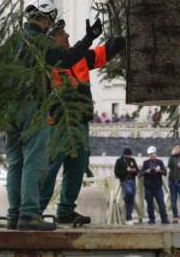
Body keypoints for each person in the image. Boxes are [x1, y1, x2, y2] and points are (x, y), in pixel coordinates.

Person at [5, 0, 99, 231]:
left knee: (15, 163)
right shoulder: (41, 43)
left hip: (9, 109)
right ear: (46, 19)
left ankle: (13, 215)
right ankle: (29, 215)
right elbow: (66, 59)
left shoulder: (12, 41)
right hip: (32, 106)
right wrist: (88, 39)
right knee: (33, 161)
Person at [39, 18, 125, 225]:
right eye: (62, 34)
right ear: (51, 40)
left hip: (80, 122)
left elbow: (102, 54)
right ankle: (35, 210)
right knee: (50, 168)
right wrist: (88, 38)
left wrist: (122, 36)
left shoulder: (79, 57)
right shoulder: (48, 61)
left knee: (77, 168)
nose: (67, 35)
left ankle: (66, 210)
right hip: (58, 124)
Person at [141, 146, 170, 224]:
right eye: (151, 154)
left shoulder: (160, 162)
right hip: (148, 187)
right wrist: (146, 171)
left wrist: (159, 171)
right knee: (150, 203)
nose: (152, 155)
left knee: (161, 202)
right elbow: (140, 173)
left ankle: (164, 218)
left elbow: (165, 173)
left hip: (158, 186)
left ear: (156, 154)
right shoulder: (145, 163)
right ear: (149, 155)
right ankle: (151, 219)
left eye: (153, 153)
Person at [114, 147, 139, 224]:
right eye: (129, 155)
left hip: (132, 181)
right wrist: (126, 170)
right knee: (129, 192)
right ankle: (125, 198)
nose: (130, 156)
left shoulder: (132, 160)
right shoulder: (119, 161)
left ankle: (129, 217)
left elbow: (137, 170)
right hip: (124, 181)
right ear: (125, 154)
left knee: (131, 199)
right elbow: (116, 172)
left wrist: (134, 170)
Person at [167, 144, 180, 223]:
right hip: (172, 181)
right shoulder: (172, 157)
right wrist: (171, 155)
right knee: (173, 200)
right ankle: (175, 217)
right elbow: (169, 166)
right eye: (175, 148)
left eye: (177, 148)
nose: (176, 149)